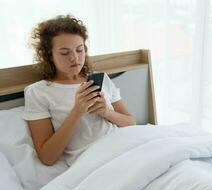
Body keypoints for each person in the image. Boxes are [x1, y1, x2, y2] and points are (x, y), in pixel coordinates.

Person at [22, 15, 136, 167]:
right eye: (64, 52)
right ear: (50, 55)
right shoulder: (38, 92)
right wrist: (77, 111)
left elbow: (131, 123)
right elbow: (47, 157)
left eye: (79, 50)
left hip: (125, 146)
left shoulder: (100, 78)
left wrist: (107, 112)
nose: (74, 58)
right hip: (93, 161)